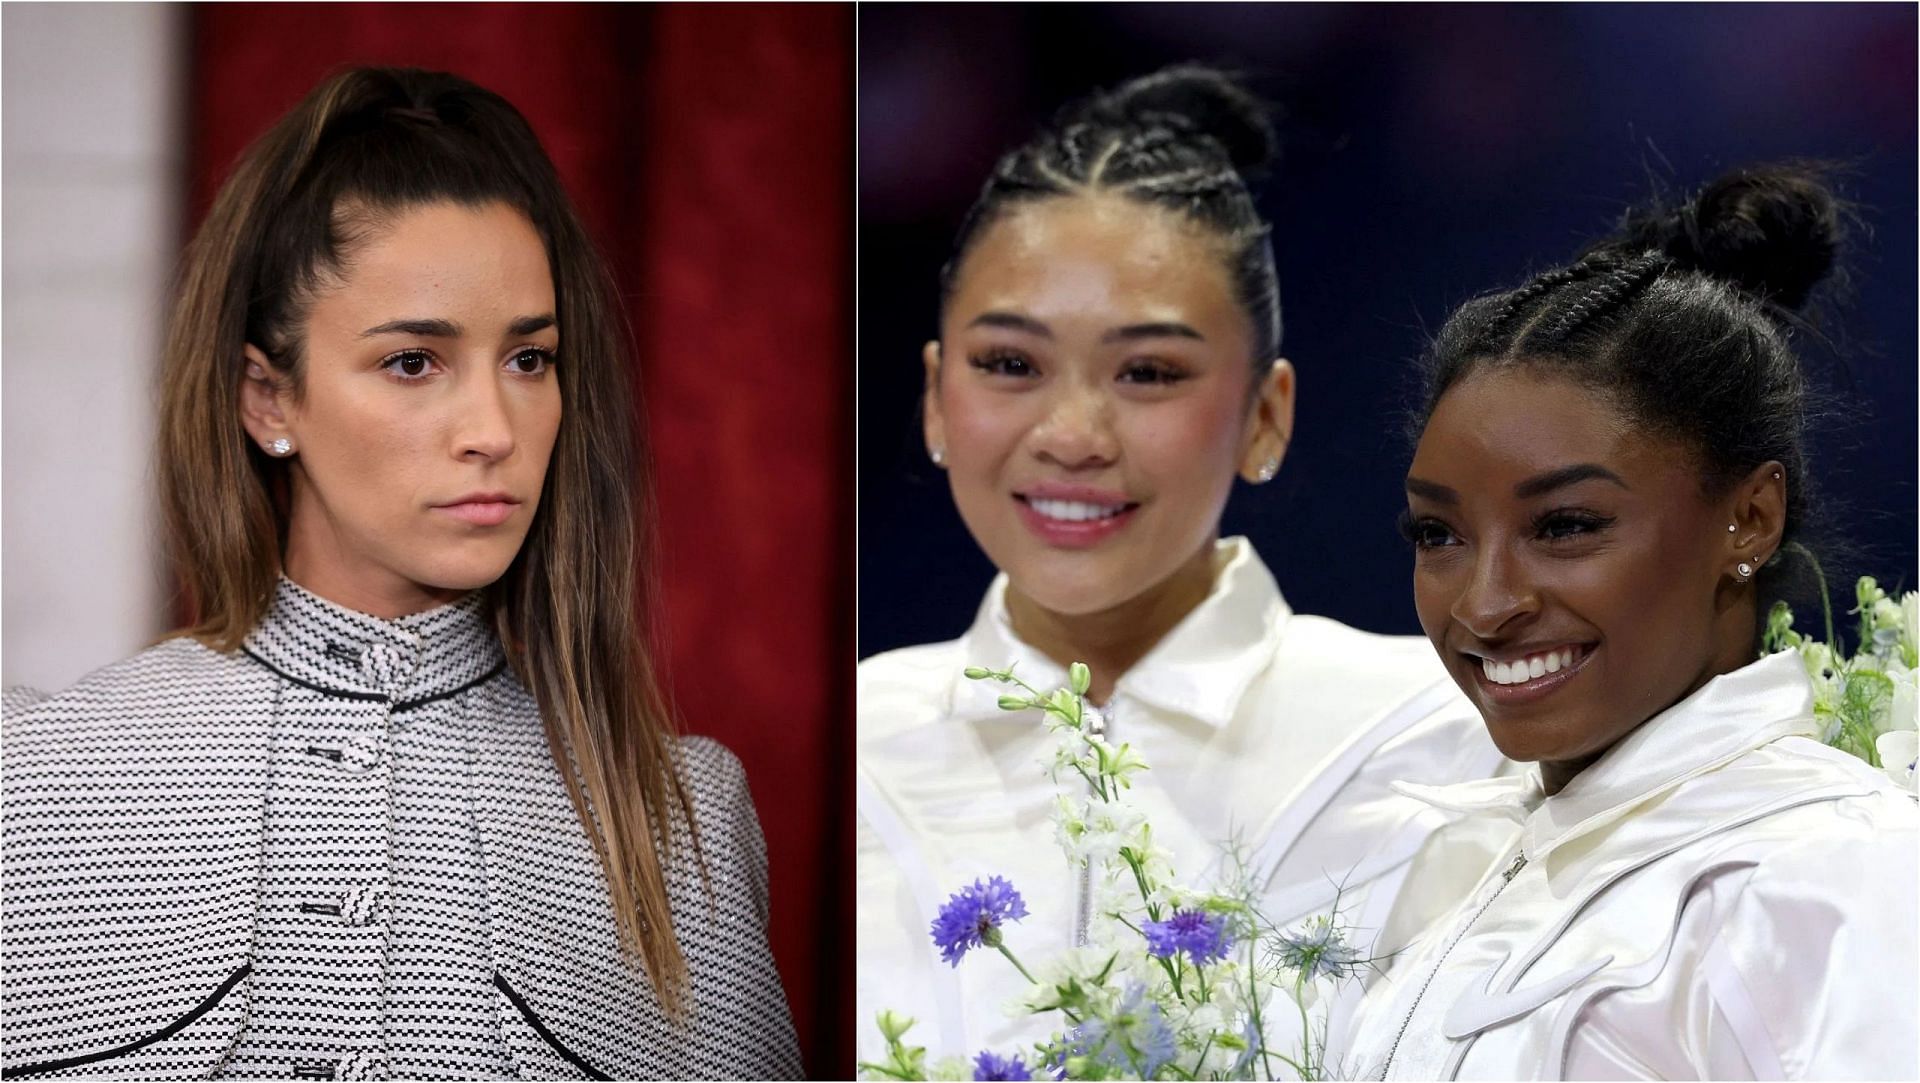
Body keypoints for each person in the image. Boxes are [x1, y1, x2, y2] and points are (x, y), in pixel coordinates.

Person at [2, 68, 800, 1080]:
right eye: (414, 362)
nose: (493, 432)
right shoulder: (28, 781)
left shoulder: (681, 828)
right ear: (267, 399)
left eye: (530, 360)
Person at [856, 65, 1506, 1069]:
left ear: (1266, 415)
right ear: (939, 400)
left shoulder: (1450, 738)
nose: (1072, 435)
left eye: (1148, 372)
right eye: (1011, 365)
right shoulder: (835, 753)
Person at [1344, 164, 1918, 1079]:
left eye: (1565, 526)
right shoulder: (1462, 872)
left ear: (1750, 518)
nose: (1484, 603)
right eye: (1438, 533)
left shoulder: (1831, 874)